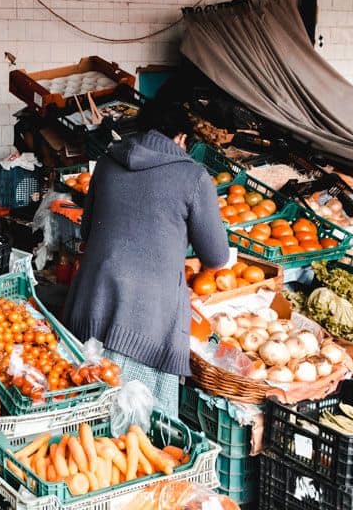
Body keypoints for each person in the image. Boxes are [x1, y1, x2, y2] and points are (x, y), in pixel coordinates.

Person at [62, 101, 231, 416]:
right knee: (135, 432)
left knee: (85, 416)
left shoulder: (107, 162)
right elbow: (217, 256)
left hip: (91, 305)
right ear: (181, 138)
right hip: (145, 321)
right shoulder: (192, 176)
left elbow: (87, 231)